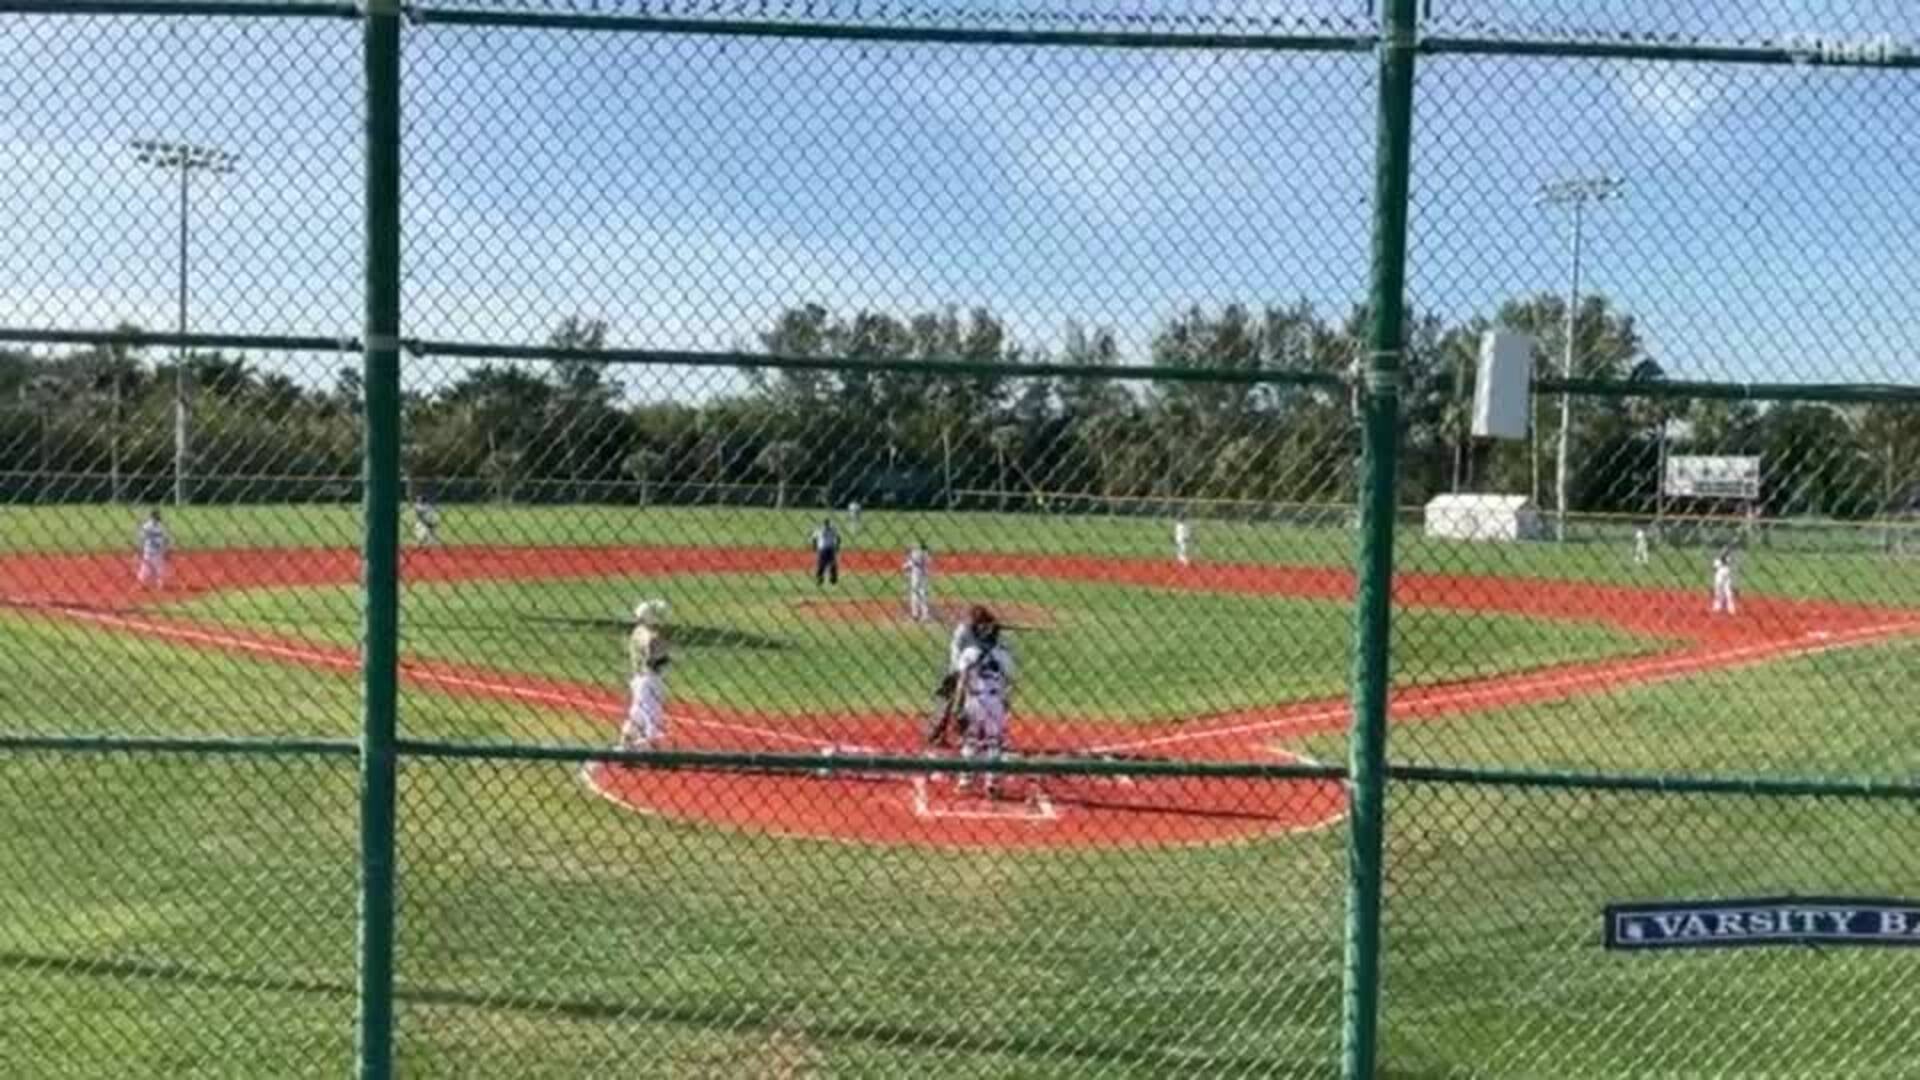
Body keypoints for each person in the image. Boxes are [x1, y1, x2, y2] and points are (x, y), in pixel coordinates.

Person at [953, 619, 1016, 798]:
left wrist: (957, 705)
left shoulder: (969, 652)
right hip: (995, 700)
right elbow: (1010, 682)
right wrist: (1006, 702)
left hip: (973, 699)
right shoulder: (1003, 654)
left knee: (970, 740)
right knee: (994, 742)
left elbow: (962, 680)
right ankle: (992, 783)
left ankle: (965, 781)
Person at [924, 605, 998, 747]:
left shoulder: (985, 631)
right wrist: (959, 673)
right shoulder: (962, 631)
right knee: (948, 704)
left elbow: (988, 645)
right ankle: (935, 734)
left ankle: (967, 736)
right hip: (955, 670)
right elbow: (956, 654)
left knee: (969, 706)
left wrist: (993, 628)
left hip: (972, 672)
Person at [622, 600, 672, 749]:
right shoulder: (646, 633)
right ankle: (651, 749)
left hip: (640, 679)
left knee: (637, 714)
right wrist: (664, 653)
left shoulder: (638, 631)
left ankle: (626, 742)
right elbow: (652, 651)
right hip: (648, 680)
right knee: (652, 715)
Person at [135, 509, 171, 589]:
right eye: (156, 516)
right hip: (149, 551)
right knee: (145, 568)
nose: (158, 517)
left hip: (158, 551)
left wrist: (167, 550)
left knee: (159, 568)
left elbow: (166, 539)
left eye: (158, 516)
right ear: (152, 517)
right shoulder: (147, 526)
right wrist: (139, 549)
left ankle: (160, 584)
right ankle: (141, 583)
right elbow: (141, 538)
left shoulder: (161, 526)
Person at [902, 540, 933, 622]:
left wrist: (905, 566)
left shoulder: (915, 554)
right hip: (924, 575)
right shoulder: (925, 554)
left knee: (914, 594)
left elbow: (911, 563)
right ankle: (925, 615)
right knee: (923, 594)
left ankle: (915, 615)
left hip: (916, 575)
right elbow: (928, 561)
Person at [810, 518, 841, 586]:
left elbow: (838, 537)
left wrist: (837, 546)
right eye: (826, 524)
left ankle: (833, 578)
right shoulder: (820, 529)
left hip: (830, 548)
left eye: (827, 524)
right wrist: (814, 546)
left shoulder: (832, 529)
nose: (827, 525)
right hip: (823, 549)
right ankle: (820, 578)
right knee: (822, 564)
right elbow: (814, 538)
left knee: (832, 564)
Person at [1711, 547, 1738, 615]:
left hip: (1727, 578)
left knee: (1729, 593)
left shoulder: (1728, 559)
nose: (1724, 553)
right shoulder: (1717, 560)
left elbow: (1729, 563)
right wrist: (1719, 564)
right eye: (1723, 552)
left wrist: (1724, 560)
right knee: (1718, 592)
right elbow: (1714, 568)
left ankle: (1731, 609)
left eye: (1726, 552)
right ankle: (1717, 608)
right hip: (1719, 577)